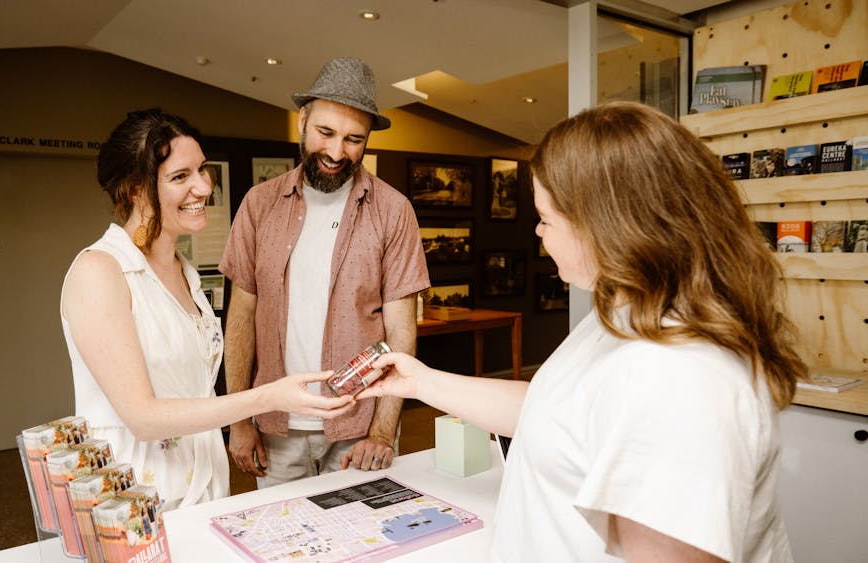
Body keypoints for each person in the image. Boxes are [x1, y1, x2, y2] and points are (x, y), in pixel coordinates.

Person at [361, 102, 807, 561]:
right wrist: (418, 380)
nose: (538, 232)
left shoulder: (681, 376)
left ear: (608, 227)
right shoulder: (626, 309)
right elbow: (556, 414)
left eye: (547, 219)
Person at [60, 109, 354, 510]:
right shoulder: (100, 271)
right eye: (180, 177)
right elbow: (143, 417)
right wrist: (268, 398)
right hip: (137, 501)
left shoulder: (186, 273)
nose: (202, 187)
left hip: (204, 489)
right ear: (134, 189)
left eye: (202, 170)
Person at [219, 57, 430, 488]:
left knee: (366, 547)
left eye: (354, 140)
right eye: (326, 133)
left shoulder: (393, 211)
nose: (336, 153)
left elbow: (401, 332)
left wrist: (382, 431)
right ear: (302, 120)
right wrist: (239, 418)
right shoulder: (259, 205)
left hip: (358, 429)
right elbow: (240, 318)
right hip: (277, 429)